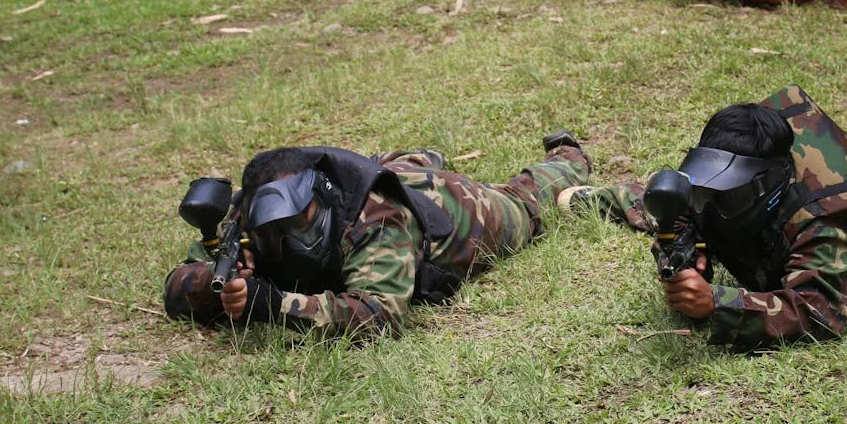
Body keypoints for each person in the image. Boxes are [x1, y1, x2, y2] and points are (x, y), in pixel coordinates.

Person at [163, 132, 590, 337]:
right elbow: (177, 287)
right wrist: (212, 284)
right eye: (276, 229)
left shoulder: (377, 218)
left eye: (299, 220)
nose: (290, 235)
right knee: (402, 167)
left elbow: (380, 314)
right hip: (385, 179)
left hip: (450, 214)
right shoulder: (248, 215)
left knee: (524, 203)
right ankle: (409, 160)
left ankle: (567, 155)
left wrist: (274, 304)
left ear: (321, 196)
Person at [559, 86, 847, 349]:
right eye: (708, 191)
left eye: (729, 195)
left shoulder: (825, 219)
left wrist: (718, 303)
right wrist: (687, 251)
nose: (711, 206)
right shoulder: (725, 178)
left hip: (807, 209)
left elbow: (820, 312)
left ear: (767, 186)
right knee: (666, 197)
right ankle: (609, 198)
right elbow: (688, 207)